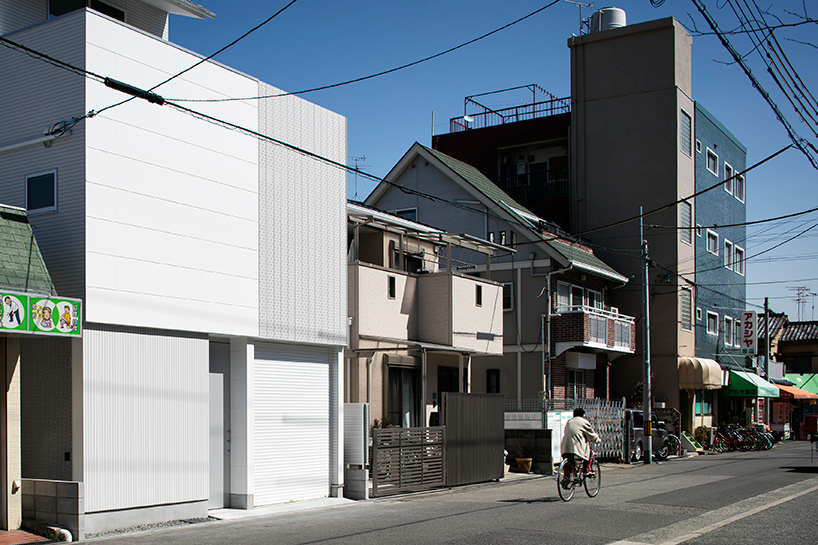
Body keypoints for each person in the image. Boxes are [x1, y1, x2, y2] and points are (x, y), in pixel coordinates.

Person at [560, 407, 600, 485]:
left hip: (565, 447)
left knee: (568, 460)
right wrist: (597, 440)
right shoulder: (583, 422)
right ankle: (586, 471)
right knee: (590, 453)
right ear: (583, 415)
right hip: (576, 447)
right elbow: (591, 434)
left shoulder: (569, 421)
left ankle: (566, 477)